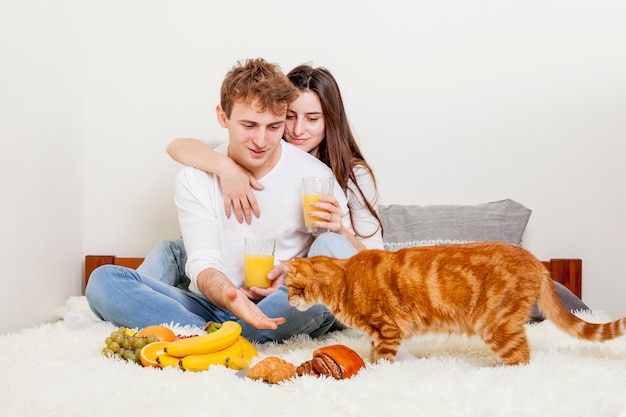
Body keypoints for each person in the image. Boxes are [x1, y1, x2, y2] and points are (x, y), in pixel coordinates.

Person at [85, 58, 354, 343]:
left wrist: (289, 279)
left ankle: (219, 337)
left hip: (279, 306)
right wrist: (231, 297)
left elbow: (349, 259)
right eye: (249, 125)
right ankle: (221, 337)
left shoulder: (314, 176)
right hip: (211, 308)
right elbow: (203, 263)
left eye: (274, 127)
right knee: (104, 281)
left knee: (334, 251)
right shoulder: (196, 178)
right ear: (222, 117)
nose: (262, 140)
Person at [166, 64, 384, 258]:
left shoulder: (350, 174)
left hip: (315, 270)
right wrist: (226, 168)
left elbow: (375, 259)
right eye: (289, 117)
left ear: (330, 121)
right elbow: (178, 147)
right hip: (250, 266)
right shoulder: (255, 145)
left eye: (312, 118)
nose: (298, 130)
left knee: (327, 243)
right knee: (171, 249)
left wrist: (340, 231)